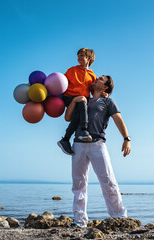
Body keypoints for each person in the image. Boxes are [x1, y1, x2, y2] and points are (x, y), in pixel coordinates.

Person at [64, 75, 131, 227]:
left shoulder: (107, 101)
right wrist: (74, 100)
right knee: (78, 184)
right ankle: (80, 221)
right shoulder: (83, 100)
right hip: (78, 144)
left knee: (108, 181)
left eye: (100, 79)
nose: (96, 79)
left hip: (98, 144)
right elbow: (67, 118)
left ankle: (119, 217)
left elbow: (118, 119)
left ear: (105, 87)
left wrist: (126, 138)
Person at [57, 48, 97, 155]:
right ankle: (84, 130)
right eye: (78, 55)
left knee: (77, 117)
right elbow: (62, 83)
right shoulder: (72, 70)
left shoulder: (92, 76)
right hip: (69, 97)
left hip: (83, 100)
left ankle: (65, 140)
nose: (78, 57)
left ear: (88, 58)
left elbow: (94, 91)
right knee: (82, 102)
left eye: (82, 55)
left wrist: (103, 94)